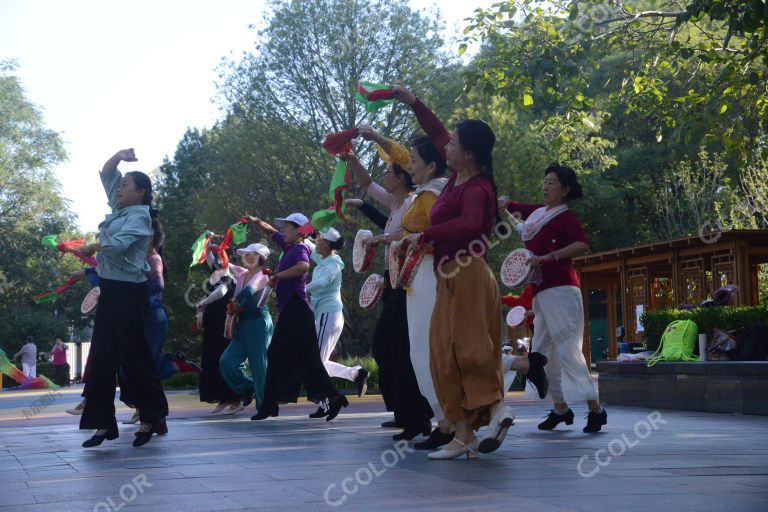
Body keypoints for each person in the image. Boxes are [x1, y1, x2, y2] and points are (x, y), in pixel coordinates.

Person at [402, 118, 513, 460]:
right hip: (448, 275)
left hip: (468, 274)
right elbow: (436, 132)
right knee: (440, 355)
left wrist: (427, 235)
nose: (446, 146)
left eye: (453, 144)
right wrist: (411, 102)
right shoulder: (455, 179)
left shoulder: (477, 188)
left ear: (468, 152)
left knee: (470, 349)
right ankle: (463, 433)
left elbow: (468, 222)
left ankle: (496, 410)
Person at [77, 148, 169, 448]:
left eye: (125, 185)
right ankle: (104, 423)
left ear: (141, 192)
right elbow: (106, 173)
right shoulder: (117, 210)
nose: (119, 188)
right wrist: (118, 155)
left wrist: (94, 247)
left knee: (134, 358)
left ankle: (151, 417)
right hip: (111, 290)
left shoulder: (141, 217)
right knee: (102, 357)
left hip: (130, 293)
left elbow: (118, 246)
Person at [505, 164, 607, 433]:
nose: (546, 186)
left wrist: (549, 257)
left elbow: (582, 245)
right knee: (541, 353)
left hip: (562, 291)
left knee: (568, 351)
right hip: (542, 293)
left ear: (565, 190)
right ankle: (560, 409)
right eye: (545, 181)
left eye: (551, 183)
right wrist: (502, 202)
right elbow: (517, 208)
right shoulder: (539, 215)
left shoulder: (566, 219)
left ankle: (596, 410)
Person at [343, 151, 433, 441]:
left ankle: (417, 416)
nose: (384, 176)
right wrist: (352, 158)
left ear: (401, 177)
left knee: (400, 349)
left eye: (389, 172)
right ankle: (404, 412)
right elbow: (367, 183)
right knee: (385, 348)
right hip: (392, 280)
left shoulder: (412, 204)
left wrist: (380, 239)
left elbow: (408, 234)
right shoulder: (396, 203)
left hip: (407, 281)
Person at [249, 214, 348, 421]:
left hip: (297, 309)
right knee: (308, 359)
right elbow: (271, 232)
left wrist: (278, 276)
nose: (283, 231)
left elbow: (303, 267)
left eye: (287, 228)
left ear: (298, 230)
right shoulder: (288, 247)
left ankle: (269, 405)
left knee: (276, 353)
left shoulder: (300, 249)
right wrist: (257, 221)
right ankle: (333, 398)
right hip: (293, 310)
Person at [305, 228, 368, 419]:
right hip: (325, 315)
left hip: (328, 315)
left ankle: (328, 401)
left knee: (316, 363)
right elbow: (305, 244)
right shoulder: (323, 258)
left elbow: (324, 281)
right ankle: (355, 374)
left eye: (320, 239)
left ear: (328, 244)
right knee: (319, 362)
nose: (316, 241)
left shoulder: (332, 264)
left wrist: (303, 288)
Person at [218, 243, 274, 415]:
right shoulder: (242, 273)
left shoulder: (263, 275)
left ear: (261, 258)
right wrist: (214, 250)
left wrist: (235, 302)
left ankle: (263, 407)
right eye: (246, 254)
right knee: (226, 362)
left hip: (258, 324)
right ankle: (249, 388)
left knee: (259, 367)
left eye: (253, 254)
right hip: (242, 325)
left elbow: (250, 290)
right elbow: (224, 264)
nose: (248, 257)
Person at [197, 247, 241, 413]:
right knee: (212, 358)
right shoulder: (217, 271)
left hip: (221, 322)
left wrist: (204, 302)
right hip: (212, 322)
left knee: (222, 357)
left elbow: (222, 291)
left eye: (219, 255)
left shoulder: (228, 274)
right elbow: (208, 256)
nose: (215, 258)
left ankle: (235, 398)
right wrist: (207, 243)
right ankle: (223, 398)